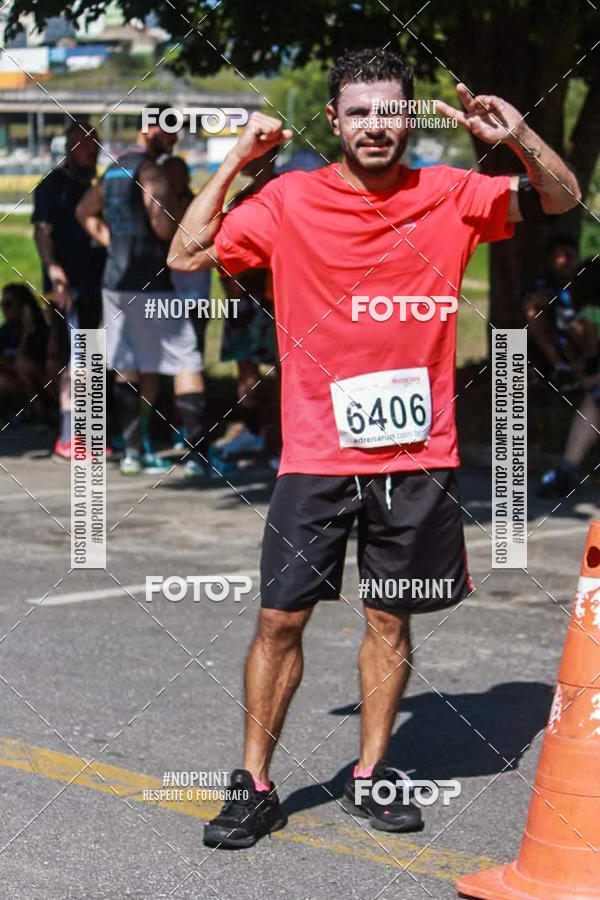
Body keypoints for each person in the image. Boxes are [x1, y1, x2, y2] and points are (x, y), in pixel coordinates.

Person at [170, 47, 580, 847]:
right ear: (335, 120)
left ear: (408, 118)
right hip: (315, 457)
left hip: (416, 457)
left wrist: (520, 137)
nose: (375, 126)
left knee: (389, 619)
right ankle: (253, 784)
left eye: (390, 110)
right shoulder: (290, 199)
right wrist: (239, 158)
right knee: (279, 620)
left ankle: (370, 773)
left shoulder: (452, 192)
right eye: (358, 112)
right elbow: (186, 253)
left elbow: (563, 197)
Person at [76, 111, 209, 477]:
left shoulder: (114, 168)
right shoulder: (151, 171)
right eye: (170, 133)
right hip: (153, 281)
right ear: (151, 128)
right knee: (186, 360)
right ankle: (198, 456)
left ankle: (133, 452)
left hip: (115, 282)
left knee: (128, 364)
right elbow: (165, 227)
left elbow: (84, 211)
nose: (174, 141)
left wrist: (112, 242)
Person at [32, 121, 106, 459]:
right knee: (74, 360)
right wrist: (54, 269)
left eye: (96, 144)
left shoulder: (92, 185)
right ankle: (68, 436)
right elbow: (41, 232)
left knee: (91, 360)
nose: (93, 150)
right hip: (67, 288)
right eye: (86, 144)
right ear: (70, 147)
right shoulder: (53, 186)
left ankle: (88, 434)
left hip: (95, 286)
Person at [213, 150, 280, 470]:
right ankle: (252, 431)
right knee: (246, 370)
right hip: (245, 296)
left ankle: (280, 440)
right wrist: (230, 285)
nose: (247, 162)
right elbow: (224, 246)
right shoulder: (241, 198)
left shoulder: (286, 192)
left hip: (279, 297)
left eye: (255, 156)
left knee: (286, 372)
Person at [161, 155, 212, 461]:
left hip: (194, 299)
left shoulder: (195, 207)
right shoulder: (162, 208)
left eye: (174, 177)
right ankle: (177, 425)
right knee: (170, 367)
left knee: (190, 364)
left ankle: (191, 430)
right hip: (168, 299)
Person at [537, 256, 600, 497]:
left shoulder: (588, 315)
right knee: (593, 401)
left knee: (593, 400)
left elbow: (591, 352)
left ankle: (567, 470)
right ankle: (566, 470)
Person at [525, 234, 596, 389]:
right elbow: (533, 301)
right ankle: (562, 369)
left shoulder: (588, 280)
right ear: (550, 261)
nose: (565, 261)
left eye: (569, 255)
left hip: (587, 336)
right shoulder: (543, 284)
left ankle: (588, 367)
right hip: (558, 338)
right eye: (559, 256)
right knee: (533, 313)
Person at [0, 283, 50, 424]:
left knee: (22, 365)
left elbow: (27, 362)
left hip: (40, 385)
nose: (4, 309)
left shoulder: (39, 330)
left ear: (24, 306)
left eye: (9, 304)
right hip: (15, 381)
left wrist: (26, 331)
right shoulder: (6, 331)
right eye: (2, 305)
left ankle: (40, 414)